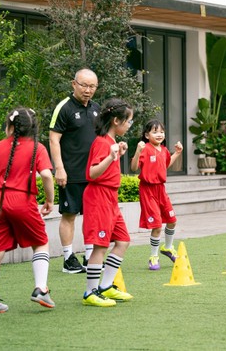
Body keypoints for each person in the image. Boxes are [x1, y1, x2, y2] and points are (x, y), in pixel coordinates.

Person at [0, 108, 56, 314]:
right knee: (40, 243)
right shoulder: (37, 148)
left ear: (10, 127)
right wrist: (49, 199)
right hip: (23, 200)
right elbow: (47, 175)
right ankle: (40, 288)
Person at [82, 98, 134, 307]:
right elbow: (92, 173)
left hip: (110, 198)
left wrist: (116, 154)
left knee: (123, 241)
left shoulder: (110, 143)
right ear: (116, 121)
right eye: (128, 121)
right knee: (100, 246)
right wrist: (110, 156)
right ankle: (89, 292)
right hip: (98, 197)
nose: (129, 125)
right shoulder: (101, 142)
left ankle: (105, 286)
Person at [49, 68, 101, 274]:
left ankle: (89, 256)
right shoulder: (64, 107)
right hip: (70, 173)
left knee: (91, 216)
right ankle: (68, 258)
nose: (88, 90)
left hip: (93, 174)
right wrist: (59, 168)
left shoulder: (97, 108)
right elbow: (54, 139)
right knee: (69, 214)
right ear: (74, 84)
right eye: (84, 85)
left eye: (92, 86)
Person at [130, 119, 183, 271]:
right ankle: (153, 257)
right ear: (147, 135)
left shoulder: (164, 150)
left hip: (161, 189)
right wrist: (138, 150)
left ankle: (167, 247)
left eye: (161, 132)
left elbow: (165, 164)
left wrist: (178, 153)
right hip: (148, 190)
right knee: (157, 225)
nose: (159, 134)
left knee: (172, 220)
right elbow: (134, 168)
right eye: (155, 132)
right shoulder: (145, 149)